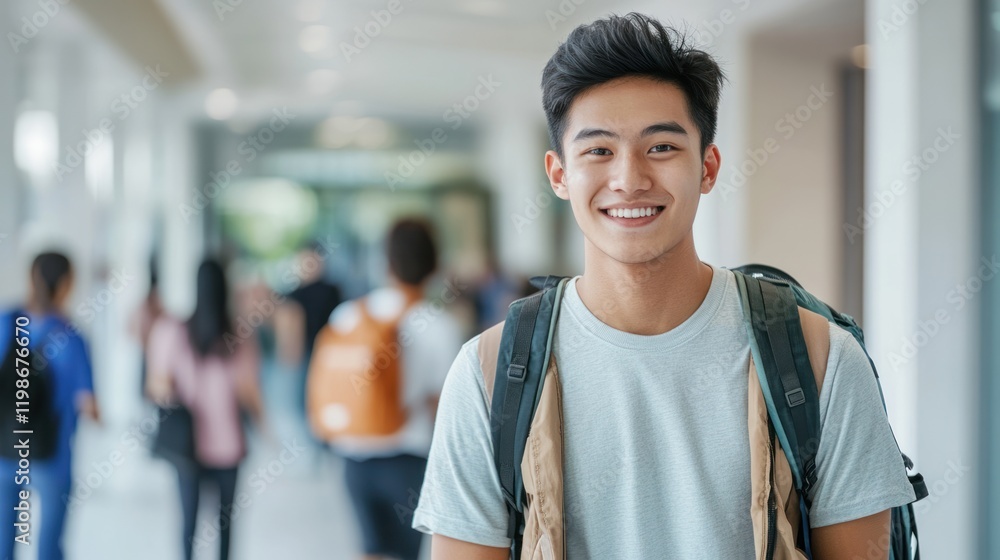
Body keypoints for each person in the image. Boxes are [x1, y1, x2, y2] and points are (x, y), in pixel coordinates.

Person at [412, 14, 917, 559]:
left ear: (708, 166)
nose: (629, 179)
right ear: (559, 174)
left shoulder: (821, 360)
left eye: (661, 148)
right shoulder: (488, 374)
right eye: (598, 150)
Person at [321, 219, 462, 560]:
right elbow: (444, 407)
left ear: (386, 264)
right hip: (408, 459)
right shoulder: (440, 325)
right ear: (434, 266)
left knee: (369, 551)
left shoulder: (349, 316)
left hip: (354, 456)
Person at [146, 258, 264, 560]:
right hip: (230, 445)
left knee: (188, 523)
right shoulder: (241, 335)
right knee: (225, 525)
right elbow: (250, 392)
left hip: (188, 445)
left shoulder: (171, 330)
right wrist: (268, 431)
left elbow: (156, 387)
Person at [0, 251, 100, 560]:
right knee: (49, 545)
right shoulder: (72, 338)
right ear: (67, 284)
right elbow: (89, 405)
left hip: (4, 450)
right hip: (52, 454)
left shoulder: (5, 323)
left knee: (4, 540)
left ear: (31, 277)